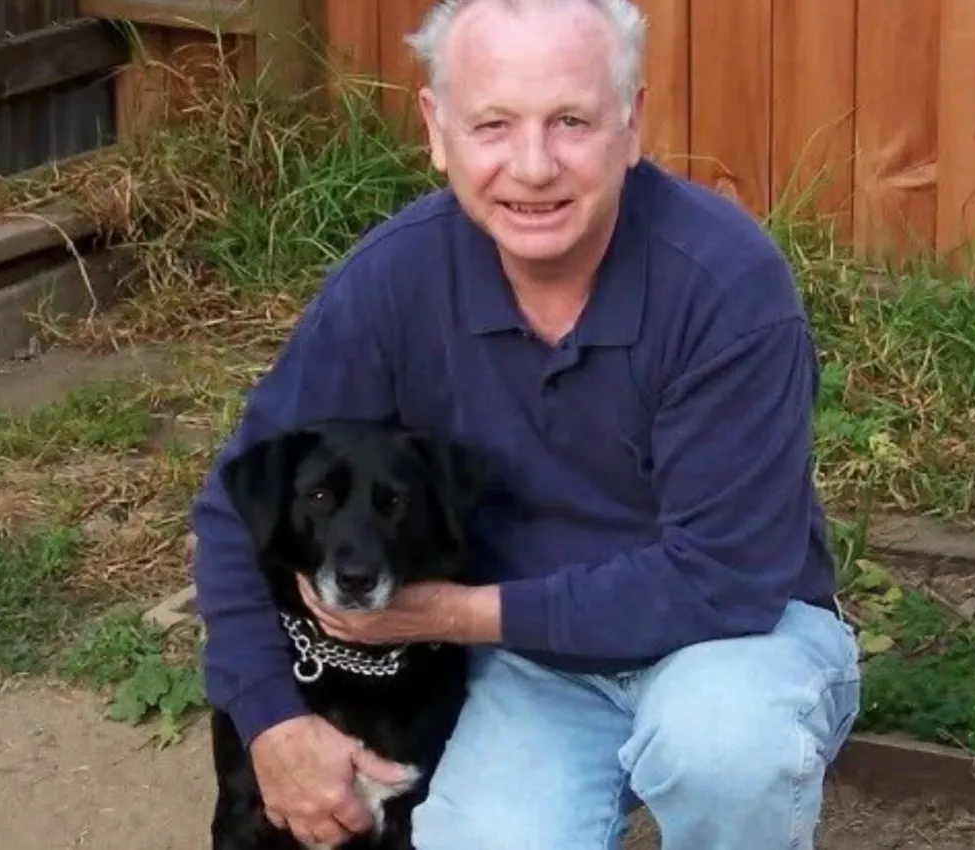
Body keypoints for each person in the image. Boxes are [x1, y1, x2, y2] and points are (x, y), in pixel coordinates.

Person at [190, 0, 862, 847]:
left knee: (725, 750)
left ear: (632, 123)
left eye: (571, 121)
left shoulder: (724, 287)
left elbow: (724, 579)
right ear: (438, 131)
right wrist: (272, 721)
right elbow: (235, 507)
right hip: (536, 670)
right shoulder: (395, 280)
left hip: (735, 642)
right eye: (494, 125)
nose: (533, 166)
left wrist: (454, 615)